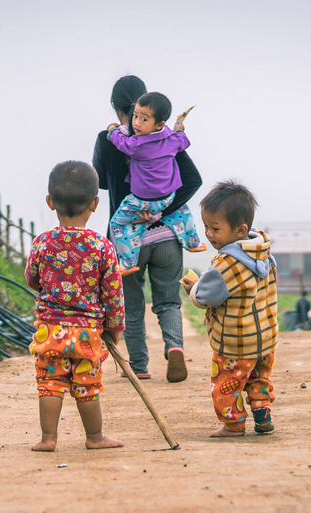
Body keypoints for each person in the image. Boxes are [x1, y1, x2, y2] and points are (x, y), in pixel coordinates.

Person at [93, 75, 202, 382]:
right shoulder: (165, 137)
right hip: (166, 233)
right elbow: (193, 180)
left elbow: (100, 182)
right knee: (168, 300)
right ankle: (174, 346)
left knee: (132, 305)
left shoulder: (109, 138)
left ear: (116, 108)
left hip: (128, 239)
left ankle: (139, 366)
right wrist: (160, 211)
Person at [25, 160, 125, 452]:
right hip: (87, 334)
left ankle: (47, 438)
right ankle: (94, 438)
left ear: (50, 202)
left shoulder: (42, 243)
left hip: (50, 330)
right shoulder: (102, 246)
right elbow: (113, 293)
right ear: (95, 203)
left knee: (50, 383)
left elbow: (32, 278)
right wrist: (114, 327)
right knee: (87, 386)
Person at [181, 180, 279, 437]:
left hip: (235, 342)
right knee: (259, 377)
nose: (209, 234)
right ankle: (262, 412)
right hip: (265, 339)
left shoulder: (226, 262)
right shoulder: (264, 254)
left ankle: (233, 424)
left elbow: (205, 297)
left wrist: (193, 289)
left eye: (215, 228)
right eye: (206, 227)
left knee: (227, 383)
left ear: (240, 229)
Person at [105, 91, 204, 273]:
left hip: (141, 202)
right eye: (135, 116)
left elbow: (121, 143)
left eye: (144, 119)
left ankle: (127, 262)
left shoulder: (137, 144)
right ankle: (193, 242)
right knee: (182, 210)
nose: (136, 123)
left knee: (117, 224)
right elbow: (183, 139)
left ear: (159, 124)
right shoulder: (172, 139)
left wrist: (111, 131)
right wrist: (179, 126)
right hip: (168, 197)